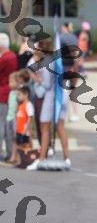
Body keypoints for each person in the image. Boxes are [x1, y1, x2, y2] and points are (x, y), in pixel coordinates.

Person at [26, 39, 71, 171]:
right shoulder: (56, 60)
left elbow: (46, 84)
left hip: (51, 96)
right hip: (62, 95)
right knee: (60, 127)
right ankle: (67, 158)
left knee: (44, 127)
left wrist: (37, 79)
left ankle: (41, 159)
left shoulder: (46, 63)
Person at [0, 33, 18, 160]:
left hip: (2, 92)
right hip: (10, 92)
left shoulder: (4, 59)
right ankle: (10, 151)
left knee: (1, 124)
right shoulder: (12, 56)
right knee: (7, 123)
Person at [60, 22, 80, 122]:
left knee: (63, 90)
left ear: (65, 27)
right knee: (72, 90)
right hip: (73, 66)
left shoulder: (61, 38)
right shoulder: (74, 37)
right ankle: (75, 113)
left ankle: (63, 113)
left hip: (64, 67)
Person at [15, 86, 34, 163]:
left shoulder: (29, 105)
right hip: (18, 130)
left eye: (20, 95)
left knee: (26, 145)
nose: (18, 97)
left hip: (24, 131)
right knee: (19, 145)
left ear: (26, 95)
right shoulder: (20, 105)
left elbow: (29, 118)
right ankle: (19, 161)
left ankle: (28, 160)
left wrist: (26, 129)